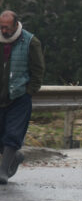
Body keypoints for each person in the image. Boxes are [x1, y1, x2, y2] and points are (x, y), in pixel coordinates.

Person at [0, 10, 45, 184]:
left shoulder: (30, 41)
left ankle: (3, 171)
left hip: (19, 97)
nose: (3, 31)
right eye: (1, 27)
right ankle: (15, 157)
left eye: (6, 27)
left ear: (15, 25)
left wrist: (29, 91)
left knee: (13, 134)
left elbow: (38, 69)